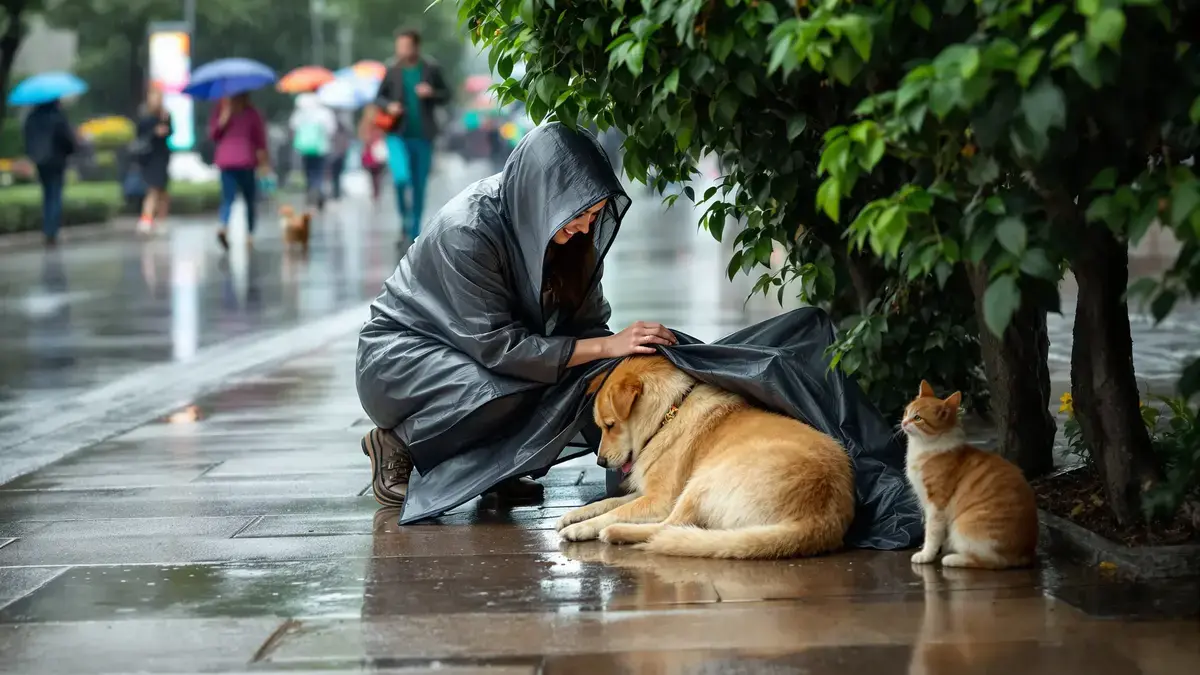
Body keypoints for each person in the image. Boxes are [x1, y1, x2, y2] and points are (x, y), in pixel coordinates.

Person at [355, 123, 676, 509]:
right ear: (544, 198)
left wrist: (622, 364)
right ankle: (396, 441)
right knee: (508, 387)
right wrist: (606, 345)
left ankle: (492, 466)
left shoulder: (570, 235)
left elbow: (587, 330)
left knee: (577, 372)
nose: (586, 226)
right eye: (579, 214)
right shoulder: (468, 232)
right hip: (400, 361)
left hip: (478, 353)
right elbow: (499, 349)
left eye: (594, 214)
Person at [374, 28, 449, 243]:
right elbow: (379, 97)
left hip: (424, 136)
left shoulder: (430, 68)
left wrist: (431, 93)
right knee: (400, 178)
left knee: (419, 183)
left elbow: (447, 95)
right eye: (399, 46)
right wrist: (389, 106)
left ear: (416, 46)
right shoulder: (391, 69)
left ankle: (414, 230)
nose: (402, 50)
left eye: (406, 46)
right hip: (397, 134)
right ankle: (404, 221)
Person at [208, 92, 269, 251]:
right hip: (246, 160)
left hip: (227, 161)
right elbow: (260, 140)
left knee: (228, 199)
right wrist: (264, 163)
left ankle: (224, 225)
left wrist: (223, 118)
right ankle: (249, 234)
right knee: (249, 200)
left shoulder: (221, 110)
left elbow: (213, 135)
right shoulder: (252, 113)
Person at [23, 100, 77, 246]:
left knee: (47, 194)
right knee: (55, 194)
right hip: (57, 160)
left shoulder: (32, 117)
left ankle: (47, 229)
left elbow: (27, 138)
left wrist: (32, 155)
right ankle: (52, 231)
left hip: (40, 161)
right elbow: (67, 139)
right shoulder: (58, 116)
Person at [134, 86, 173, 234]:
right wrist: (154, 132)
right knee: (153, 189)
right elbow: (140, 134)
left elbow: (170, 132)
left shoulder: (166, 115)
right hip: (149, 158)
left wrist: (165, 125)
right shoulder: (145, 116)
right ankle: (147, 218)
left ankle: (161, 219)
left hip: (162, 157)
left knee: (162, 190)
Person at [289, 92, 337, 209]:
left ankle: (312, 192)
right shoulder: (324, 113)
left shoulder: (300, 113)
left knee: (309, 171)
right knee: (319, 172)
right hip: (321, 148)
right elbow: (331, 129)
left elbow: (293, 126)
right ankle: (317, 192)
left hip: (305, 148)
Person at [358, 104, 386, 203]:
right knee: (377, 174)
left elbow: (362, 136)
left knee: (373, 174)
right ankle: (376, 193)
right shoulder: (377, 121)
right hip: (375, 152)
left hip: (371, 152)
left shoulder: (366, 123)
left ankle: (375, 193)